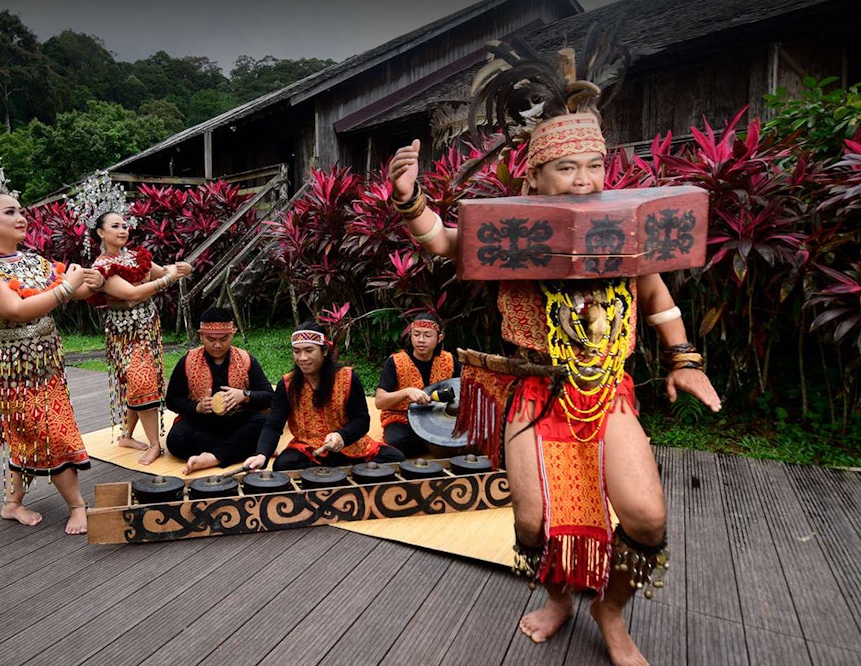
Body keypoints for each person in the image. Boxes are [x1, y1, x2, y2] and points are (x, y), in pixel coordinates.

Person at [386, 35, 721, 666]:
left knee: (647, 518)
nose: (586, 179)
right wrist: (410, 198)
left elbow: (659, 302)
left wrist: (683, 359)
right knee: (533, 524)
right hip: (536, 393)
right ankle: (560, 596)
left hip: (607, 391)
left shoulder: (626, 231)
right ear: (535, 176)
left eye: (594, 166)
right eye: (567, 168)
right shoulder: (509, 236)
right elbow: (440, 242)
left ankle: (611, 611)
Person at [0, 191, 104, 533]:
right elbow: (16, 310)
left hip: (47, 364)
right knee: (51, 433)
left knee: (29, 433)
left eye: (21, 211)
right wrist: (66, 287)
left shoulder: (36, 262)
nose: (20, 217)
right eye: (10, 212)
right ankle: (77, 505)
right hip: (12, 370)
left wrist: (93, 281)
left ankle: (12, 504)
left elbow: (76, 289)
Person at [90, 211, 192, 465]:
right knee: (140, 381)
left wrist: (182, 268)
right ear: (101, 233)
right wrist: (169, 279)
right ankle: (155, 444)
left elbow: (161, 271)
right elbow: (132, 294)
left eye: (124, 225)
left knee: (136, 381)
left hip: (147, 328)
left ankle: (126, 435)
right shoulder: (101, 267)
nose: (122, 230)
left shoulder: (137, 256)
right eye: (115, 226)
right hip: (123, 333)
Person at [243, 322, 405, 472]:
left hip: (348, 445)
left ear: (325, 351)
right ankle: (343, 470)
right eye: (297, 351)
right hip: (310, 449)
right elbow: (273, 424)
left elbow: (362, 420)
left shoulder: (347, 378)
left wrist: (343, 435)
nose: (302, 358)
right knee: (283, 465)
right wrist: (262, 455)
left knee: (395, 457)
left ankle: (337, 469)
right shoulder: (287, 384)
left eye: (309, 350)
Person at [165, 306, 274, 474]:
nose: (217, 345)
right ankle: (240, 449)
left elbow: (268, 396)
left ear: (232, 334)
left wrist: (244, 395)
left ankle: (212, 458)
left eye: (224, 339)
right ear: (201, 336)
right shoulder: (187, 361)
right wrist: (197, 407)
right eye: (210, 339)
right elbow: (172, 400)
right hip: (203, 422)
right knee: (175, 440)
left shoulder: (245, 359)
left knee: (264, 424)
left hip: (237, 419)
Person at [374, 312, 457, 458]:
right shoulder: (395, 361)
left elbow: (461, 389)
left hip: (438, 417)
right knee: (397, 442)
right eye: (416, 334)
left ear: (439, 338)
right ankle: (432, 444)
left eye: (427, 335)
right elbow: (380, 402)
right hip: (401, 418)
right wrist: (406, 392)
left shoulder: (449, 360)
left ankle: (432, 443)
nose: (421, 340)